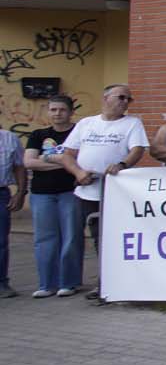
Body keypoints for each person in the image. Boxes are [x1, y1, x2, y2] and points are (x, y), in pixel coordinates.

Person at [55, 85, 148, 291]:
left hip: (110, 192)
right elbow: (67, 155)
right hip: (83, 190)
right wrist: (78, 173)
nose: (125, 102)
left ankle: (105, 283)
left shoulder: (132, 123)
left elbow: (137, 149)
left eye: (128, 99)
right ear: (106, 98)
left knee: (103, 238)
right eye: (121, 97)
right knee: (71, 238)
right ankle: (68, 282)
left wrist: (122, 165)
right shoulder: (86, 124)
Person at [25, 97, 81, 298]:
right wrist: (66, 162)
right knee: (44, 239)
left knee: (71, 237)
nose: (58, 113)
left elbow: (82, 160)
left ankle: (69, 282)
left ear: (71, 112)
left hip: (70, 191)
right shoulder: (38, 135)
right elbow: (29, 162)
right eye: (53, 110)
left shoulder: (78, 133)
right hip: (42, 193)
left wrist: (46, 158)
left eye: (62, 110)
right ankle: (46, 284)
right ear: (48, 112)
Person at [0, 125, 27, 299]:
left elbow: (19, 166)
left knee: (1, 241)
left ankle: (1, 282)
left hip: (1, 193)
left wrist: (20, 192)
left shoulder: (9, 138)